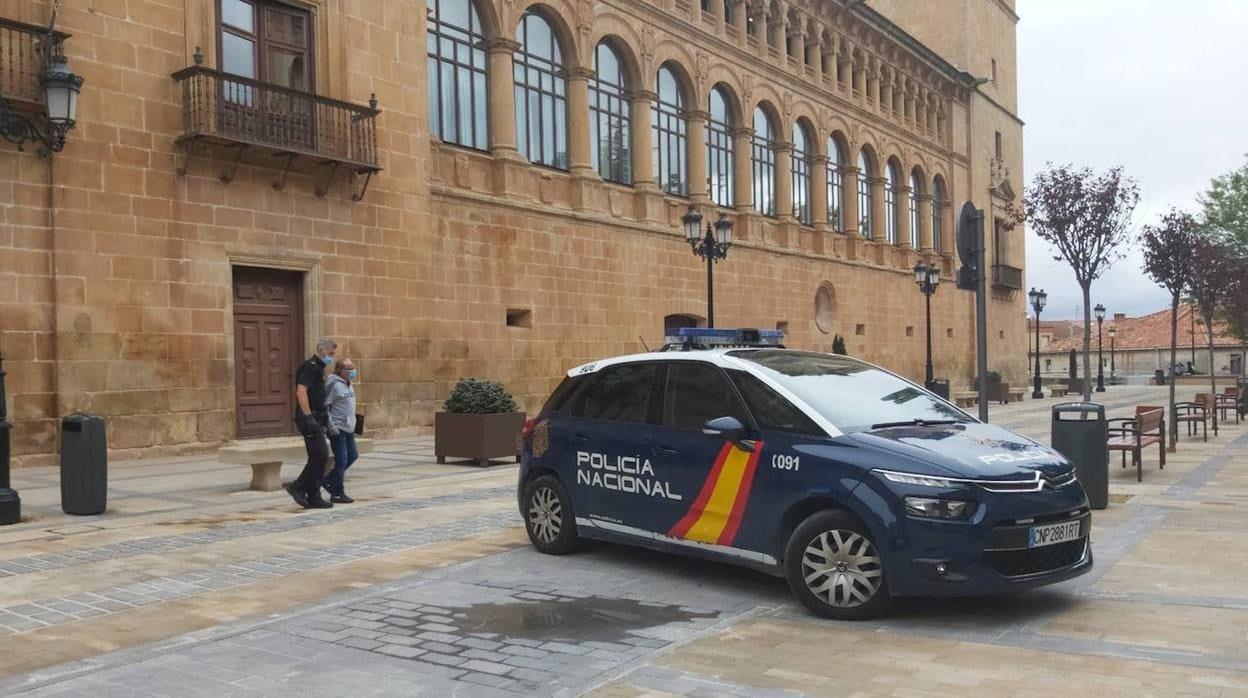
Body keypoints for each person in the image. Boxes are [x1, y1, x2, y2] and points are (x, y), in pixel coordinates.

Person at [287, 337, 337, 509]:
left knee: (318, 456)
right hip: (309, 418)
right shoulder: (310, 367)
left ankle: (314, 495)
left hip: (317, 417)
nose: (332, 357)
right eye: (331, 353)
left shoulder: (320, 369)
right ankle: (298, 486)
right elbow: (301, 391)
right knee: (321, 455)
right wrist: (308, 417)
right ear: (321, 350)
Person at [323, 357, 359, 503]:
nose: (352, 371)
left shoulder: (349, 384)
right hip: (337, 429)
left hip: (349, 428)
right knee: (342, 461)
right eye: (349, 369)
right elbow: (324, 406)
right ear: (340, 371)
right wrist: (331, 427)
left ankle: (327, 480)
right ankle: (337, 493)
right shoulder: (333, 384)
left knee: (353, 456)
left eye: (353, 368)